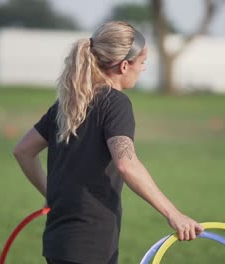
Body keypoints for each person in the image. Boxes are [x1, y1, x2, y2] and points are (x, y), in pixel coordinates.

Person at [13, 21, 204, 264]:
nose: (143, 69)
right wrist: (173, 214)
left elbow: (23, 151)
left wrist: (52, 194)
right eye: (142, 63)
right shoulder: (116, 104)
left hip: (58, 241)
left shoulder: (68, 105)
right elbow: (127, 164)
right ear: (125, 66)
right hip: (91, 242)